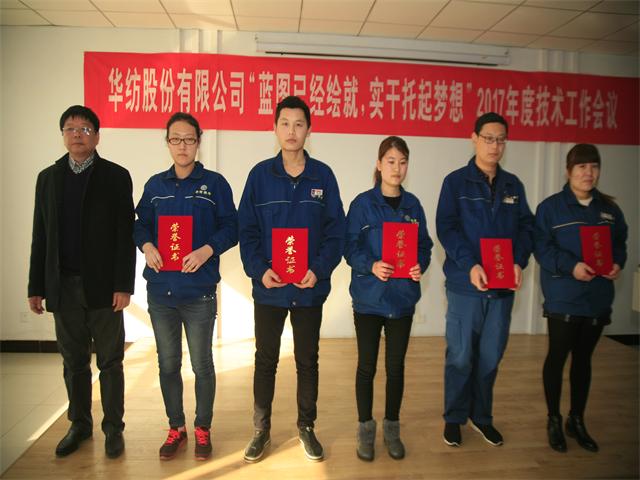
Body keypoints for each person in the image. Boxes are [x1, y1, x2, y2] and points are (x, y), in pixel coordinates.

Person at [238, 95, 345, 463]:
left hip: (308, 289)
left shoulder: (323, 176)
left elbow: (336, 232)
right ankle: (261, 430)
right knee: (265, 359)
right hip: (269, 289)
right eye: (285, 123)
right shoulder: (259, 176)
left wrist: (319, 269)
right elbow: (247, 230)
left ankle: (306, 426)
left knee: (307, 361)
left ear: (309, 130)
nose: (291, 131)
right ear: (275, 128)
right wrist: (259, 269)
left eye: (299, 124)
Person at [27, 105, 135, 459]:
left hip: (104, 288)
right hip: (63, 285)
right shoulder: (48, 178)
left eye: (85, 129)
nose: (77, 134)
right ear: (63, 135)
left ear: (97, 137)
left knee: (110, 362)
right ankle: (79, 425)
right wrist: (36, 286)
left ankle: (113, 428)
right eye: (71, 129)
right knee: (73, 361)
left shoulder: (116, 176)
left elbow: (125, 235)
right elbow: (41, 235)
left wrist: (123, 285)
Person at [133, 112, 238, 461]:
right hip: (161, 292)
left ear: (198, 142)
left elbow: (232, 227)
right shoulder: (155, 186)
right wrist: (147, 245)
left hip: (199, 292)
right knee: (167, 364)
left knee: (202, 365)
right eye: (175, 139)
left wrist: (207, 250)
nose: (182, 146)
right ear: (167, 143)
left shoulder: (215, 184)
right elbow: (139, 224)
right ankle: (175, 427)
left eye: (189, 139)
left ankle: (203, 427)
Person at [436, 112, 534, 448]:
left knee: (491, 356)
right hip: (466, 286)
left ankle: (481, 417)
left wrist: (519, 261)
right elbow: (446, 228)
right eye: (489, 138)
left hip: (502, 288)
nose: (495, 145)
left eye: (501, 139)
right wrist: (470, 265)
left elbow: (527, 228)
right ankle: (454, 418)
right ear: (474, 138)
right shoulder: (455, 183)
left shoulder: (513, 186)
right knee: (461, 355)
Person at [344, 136, 433, 461]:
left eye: (403, 162)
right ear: (379, 164)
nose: (397, 168)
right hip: (369, 299)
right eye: (391, 161)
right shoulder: (362, 204)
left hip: (401, 300)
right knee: (366, 367)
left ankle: (392, 428)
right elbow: (349, 246)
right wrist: (371, 265)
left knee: (395, 367)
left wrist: (419, 265)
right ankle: (365, 428)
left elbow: (424, 246)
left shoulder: (414, 206)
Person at [535, 144, 627, 453]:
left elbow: (620, 243)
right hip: (563, 298)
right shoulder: (551, 208)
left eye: (594, 166)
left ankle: (577, 419)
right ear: (569, 171)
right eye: (581, 167)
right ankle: (553, 418)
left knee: (584, 360)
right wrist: (570, 266)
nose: (588, 173)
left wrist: (617, 263)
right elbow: (542, 248)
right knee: (557, 357)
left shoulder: (610, 210)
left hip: (597, 298)